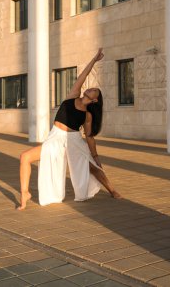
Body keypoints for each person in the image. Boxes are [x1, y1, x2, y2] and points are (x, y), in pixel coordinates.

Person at [18, 48, 122, 210]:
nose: (90, 89)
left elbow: (89, 137)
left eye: (94, 91)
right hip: (56, 137)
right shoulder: (73, 95)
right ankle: (24, 193)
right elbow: (83, 76)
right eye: (91, 88)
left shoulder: (87, 115)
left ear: (95, 100)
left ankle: (112, 190)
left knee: (92, 167)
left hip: (73, 139)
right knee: (25, 157)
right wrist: (94, 60)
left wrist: (95, 155)